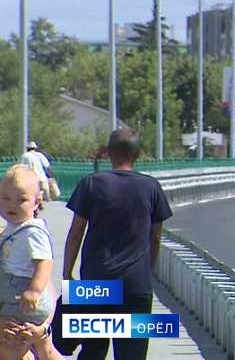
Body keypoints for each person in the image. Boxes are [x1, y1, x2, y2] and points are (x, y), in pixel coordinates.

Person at [54, 129, 172, 360]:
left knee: (93, 351)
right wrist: (147, 271)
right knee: (133, 354)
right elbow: (155, 237)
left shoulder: (91, 183)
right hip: (136, 285)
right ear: (138, 154)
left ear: (108, 153)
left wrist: (67, 274)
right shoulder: (151, 187)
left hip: (95, 282)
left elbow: (76, 233)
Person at [0, 165, 56, 360]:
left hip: (22, 298)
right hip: (14, 297)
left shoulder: (31, 231)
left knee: (11, 346)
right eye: (5, 198)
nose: (11, 205)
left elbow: (45, 263)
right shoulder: (12, 229)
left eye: (21, 200)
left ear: (36, 202)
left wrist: (34, 290)